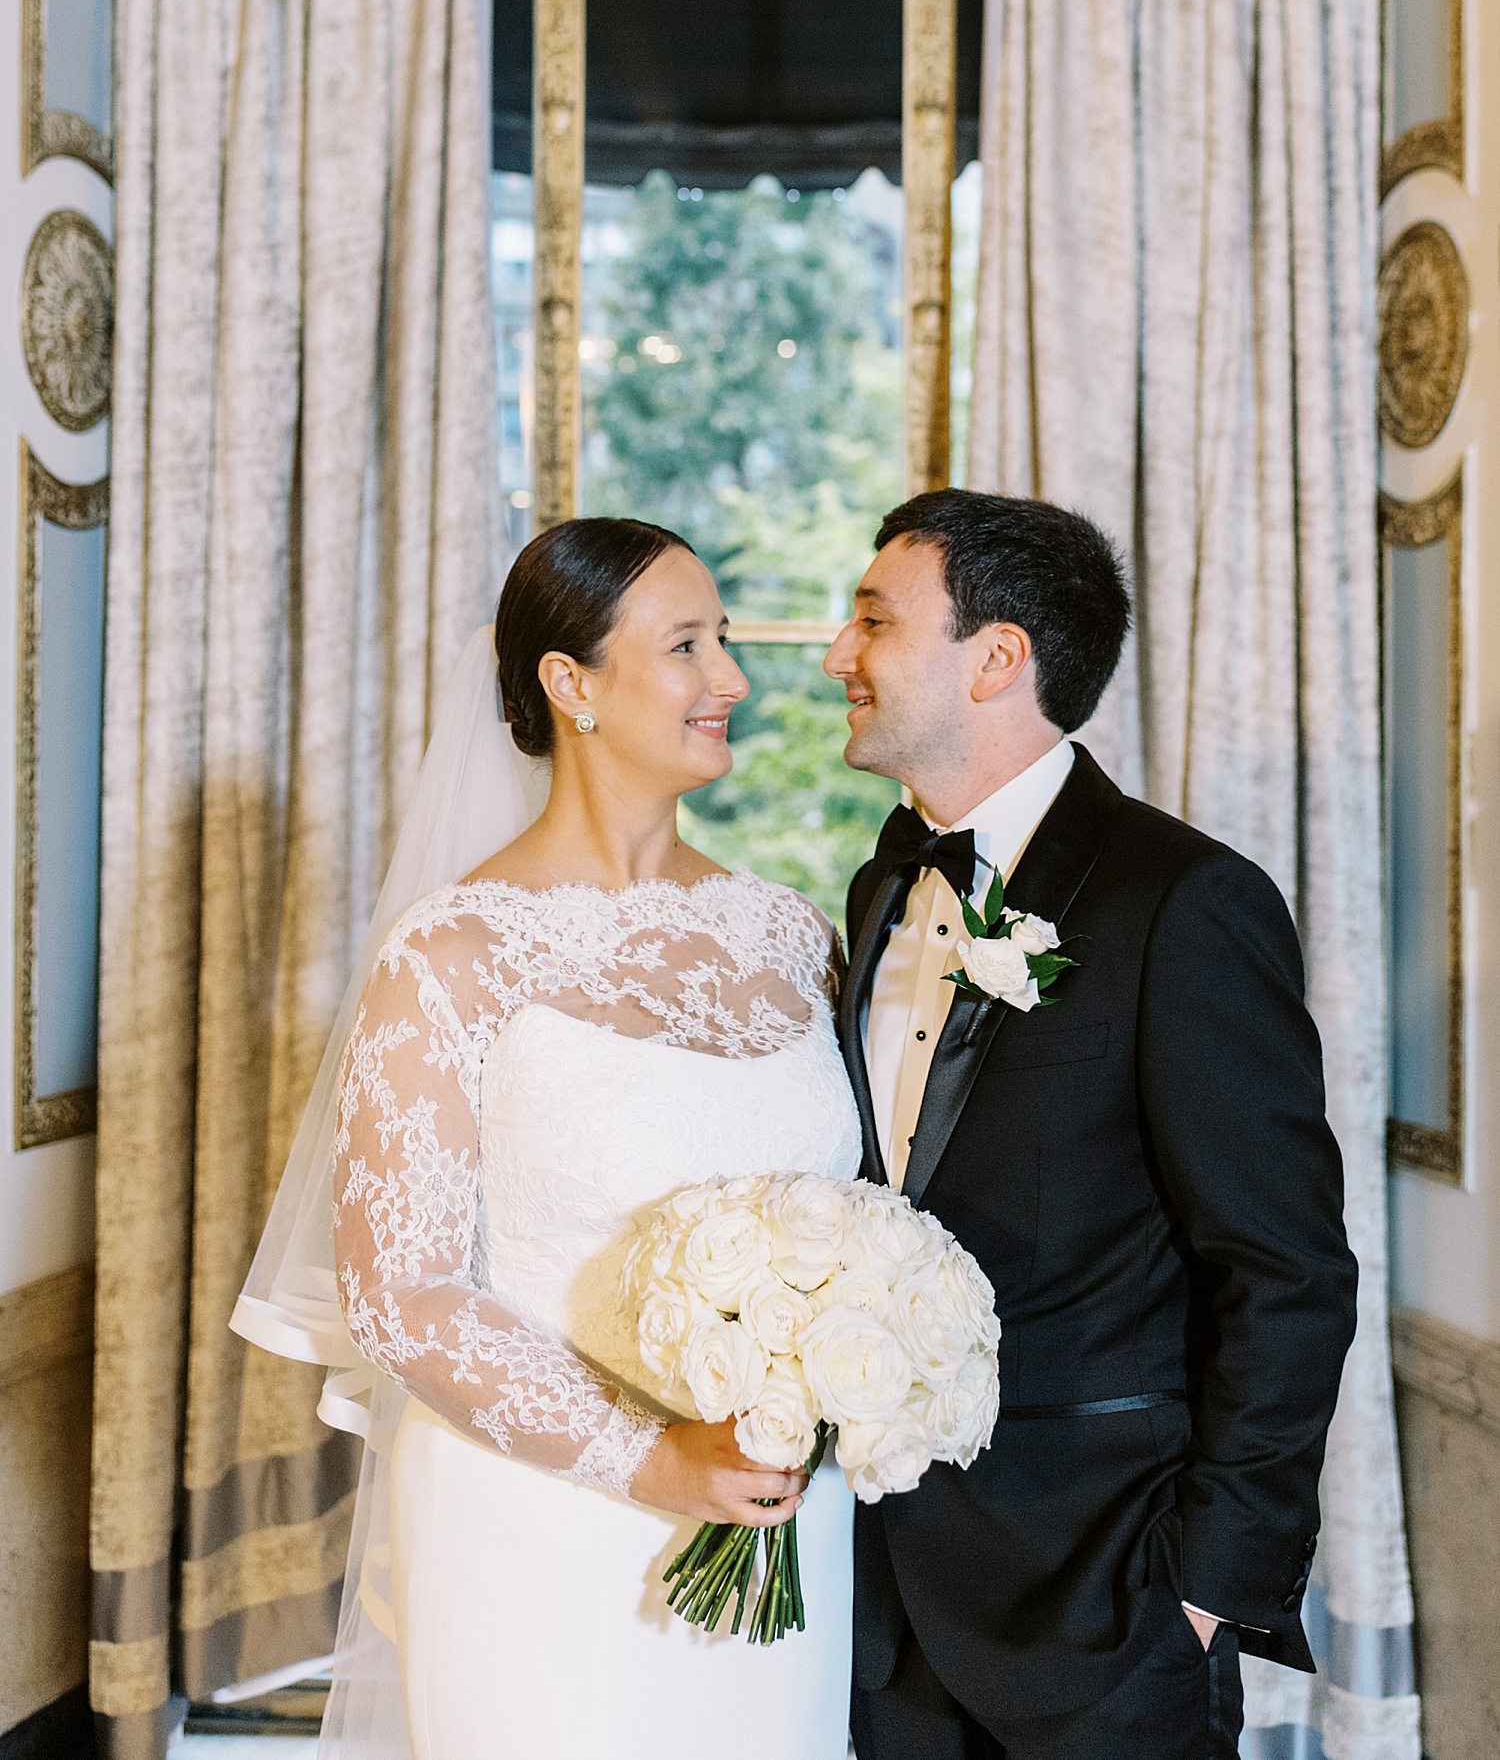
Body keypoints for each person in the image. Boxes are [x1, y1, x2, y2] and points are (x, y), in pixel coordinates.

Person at [235, 519, 860, 1760]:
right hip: (542, 1521)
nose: (731, 678)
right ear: (569, 685)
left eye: (725, 640)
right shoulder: (451, 956)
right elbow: (405, 1297)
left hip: (782, 1513)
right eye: (687, 646)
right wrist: (650, 1461)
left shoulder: (794, 938)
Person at [824, 488, 1359, 1760]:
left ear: (996, 657)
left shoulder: (1186, 902)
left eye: (872, 621)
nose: (839, 655)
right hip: (883, 1603)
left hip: (1105, 1601)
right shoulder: (883, 882)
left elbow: (1286, 1271)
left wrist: (1208, 1591)